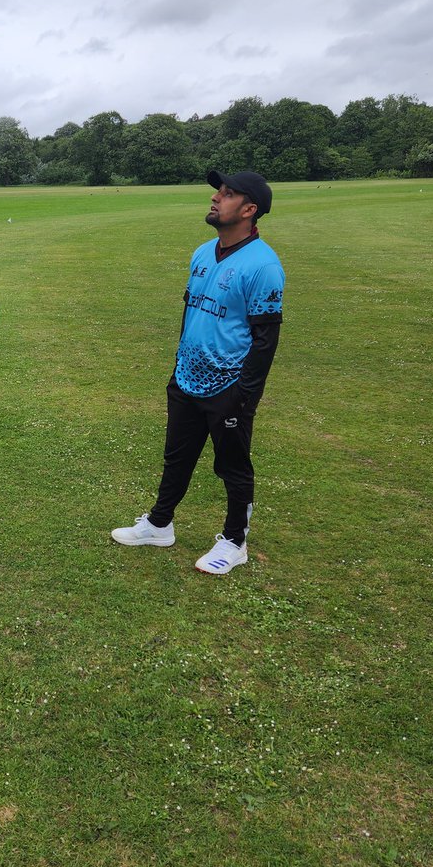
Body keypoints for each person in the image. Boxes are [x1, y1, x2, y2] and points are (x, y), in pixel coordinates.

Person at [111, 170, 285, 575]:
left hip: (229, 385)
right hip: (187, 377)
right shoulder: (203, 252)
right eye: (216, 192)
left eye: (226, 194)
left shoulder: (263, 265)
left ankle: (234, 541)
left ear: (249, 209)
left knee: (232, 466)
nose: (214, 199)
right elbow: (191, 313)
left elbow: (265, 339)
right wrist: (179, 365)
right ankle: (159, 524)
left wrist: (245, 395)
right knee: (177, 456)